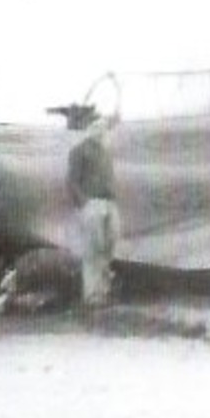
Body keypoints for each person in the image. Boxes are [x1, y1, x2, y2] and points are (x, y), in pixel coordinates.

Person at [67, 115, 119, 307]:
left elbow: (115, 121)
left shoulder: (105, 151)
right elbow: (71, 181)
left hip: (109, 203)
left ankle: (104, 291)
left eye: (102, 126)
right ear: (88, 128)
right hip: (92, 203)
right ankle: (92, 296)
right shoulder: (79, 151)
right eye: (95, 125)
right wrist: (83, 203)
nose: (100, 129)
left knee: (108, 247)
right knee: (92, 250)